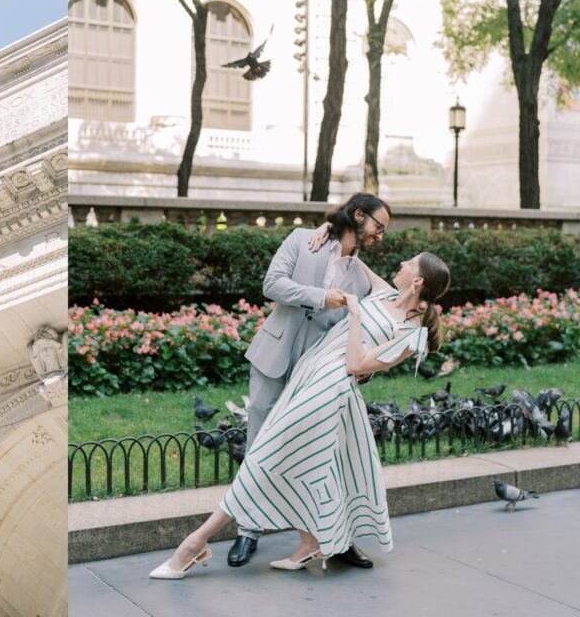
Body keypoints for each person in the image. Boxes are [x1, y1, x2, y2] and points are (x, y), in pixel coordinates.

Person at [149, 251, 450, 579]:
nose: (402, 263)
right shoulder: (384, 293)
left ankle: (194, 544)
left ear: (417, 280)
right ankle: (310, 543)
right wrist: (330, 229)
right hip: (308, 379)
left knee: (264, 459)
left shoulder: (411, 333)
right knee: (314, 466)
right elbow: (354, 256)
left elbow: (356, 365)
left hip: (329, 389)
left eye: (410, 263)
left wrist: (356, 316)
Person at [226, 193, 392, 570]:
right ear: (359, 216)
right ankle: (247, 531)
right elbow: (272, 284)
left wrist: (363, 363)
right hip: (274, 357)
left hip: (317, 375)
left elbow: (361, 324)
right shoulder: (303, 240)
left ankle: (336, 539)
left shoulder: (361, 275)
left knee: (324, 454)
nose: (380, 236)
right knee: (259, 442)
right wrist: (321, 297)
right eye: (378, 227)